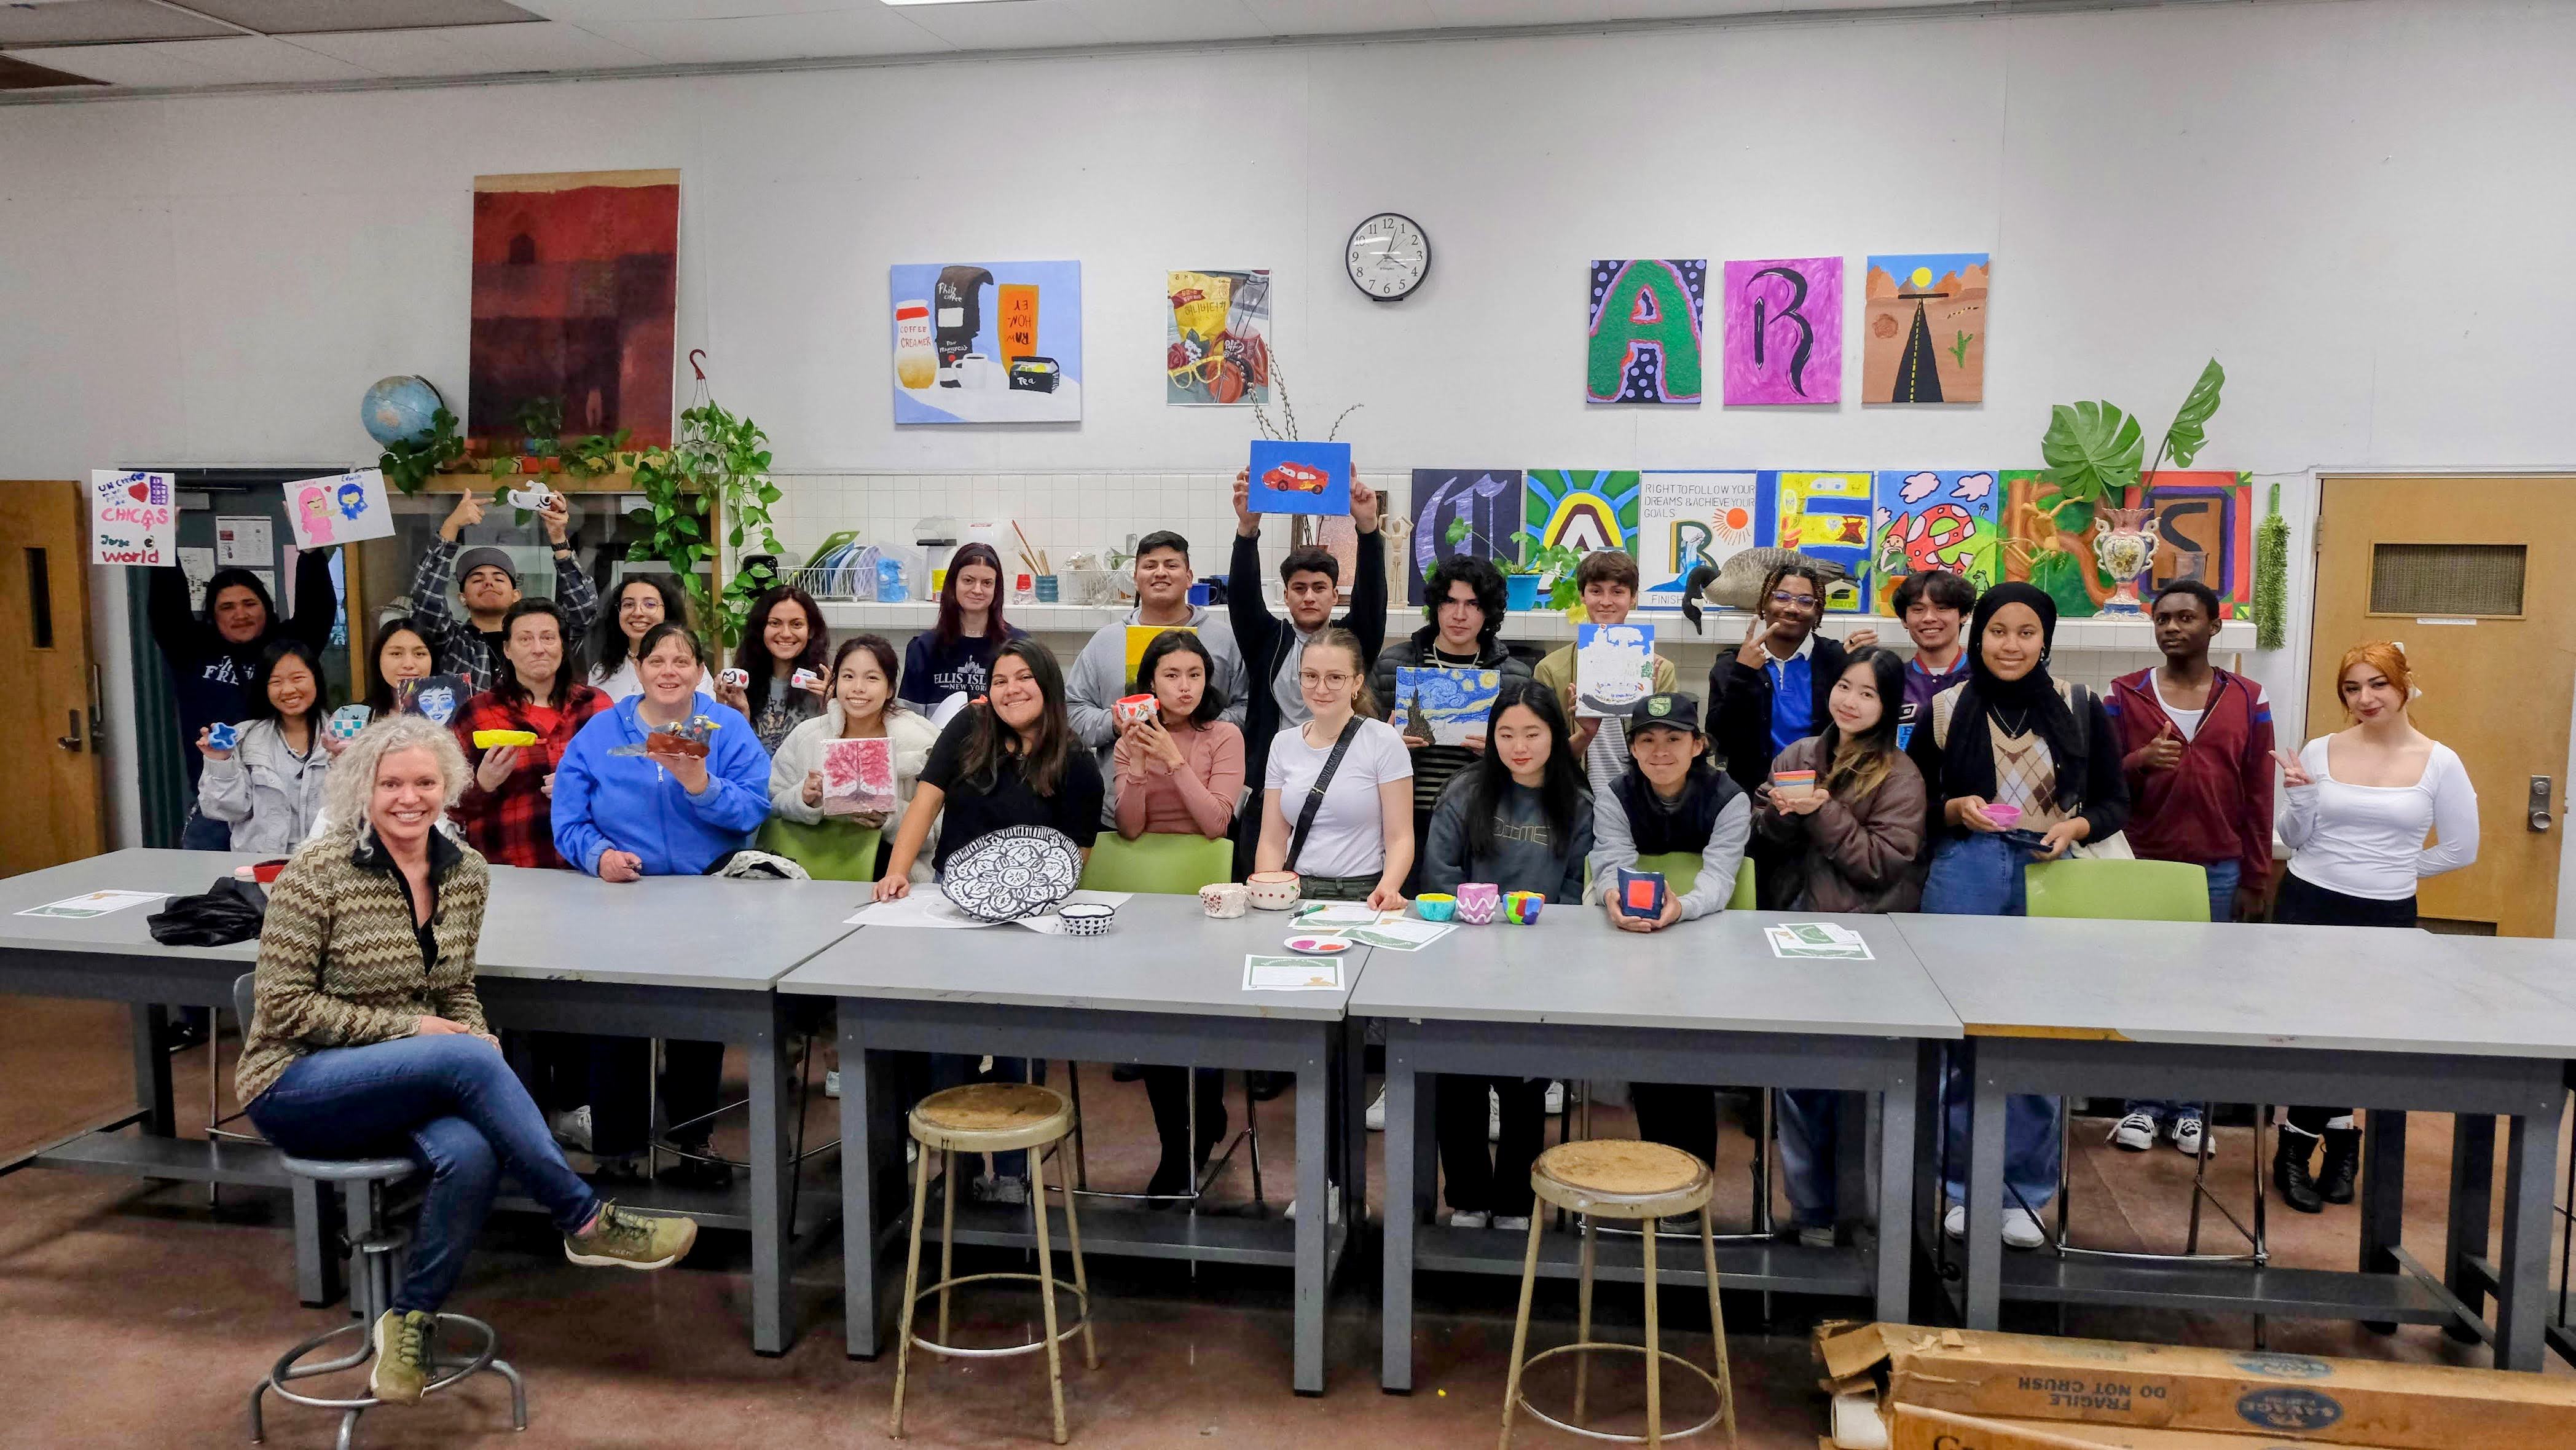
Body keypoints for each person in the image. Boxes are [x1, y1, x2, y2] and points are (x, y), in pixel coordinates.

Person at [237, 715, 695, 1408]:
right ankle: (587, 1220)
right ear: (364, 789)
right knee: (460, 1056)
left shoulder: (466, 873)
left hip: (403, 1083)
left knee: (473, 1150)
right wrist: (420, 1032)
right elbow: (282, 1010)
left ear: (448, 787)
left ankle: (410, 1318)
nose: (408, 797)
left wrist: (469, 1035)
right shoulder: (316, 874)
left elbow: (454, 989)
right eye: (391, 783)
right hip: (299, 1083)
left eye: (424, 781)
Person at [1921, 581, 2128, 1251]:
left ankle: (2025, 1194)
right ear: (1977, 636)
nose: (2010, 644)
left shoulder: (2079, 705)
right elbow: (1918, 802)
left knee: (2038, 1033)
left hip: (2052, 871)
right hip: (1968, 870)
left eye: (2025, 632)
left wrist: (2078, 824)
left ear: (2045, 640)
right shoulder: (1946, 706)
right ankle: (1959, 1188)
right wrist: (1955, 810)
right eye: (1997, 631)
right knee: (1959, 1034)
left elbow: (2114, 802)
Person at [875, 639, 1102, 1201]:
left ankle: (1011, 1172)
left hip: (1033, 928)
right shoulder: (968, 729)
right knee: (943, 1039)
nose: (1011, 689)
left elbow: (1072, 863)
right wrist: (898, 872)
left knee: (1016, 1042)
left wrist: (1029, 903)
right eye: (1001, 680)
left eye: (1024, 678)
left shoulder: (1076, 764)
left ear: (1048, 685)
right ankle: (949, 1169)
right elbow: (925, 803)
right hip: (955, 916)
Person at [552, 622, 771, 1189]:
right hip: (623, 899)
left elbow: (752, 808)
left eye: (682, 661)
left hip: (707, 898)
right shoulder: (601, 732)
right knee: (617, 1019)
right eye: (657, 661)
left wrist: (702, 785)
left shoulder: (725, 728)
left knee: (698, 1022)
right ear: (640, 667)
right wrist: (599, 855)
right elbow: (570, 820)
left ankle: (694, 1145)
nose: (669, 671)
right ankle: (616, 1151)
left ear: (700, 670)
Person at [2271, 641, 2478, 1214]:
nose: (2365, 699)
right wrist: (2302, 798)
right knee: (2313, 1031)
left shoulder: (2440, 761)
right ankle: (2331, 1145)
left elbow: (2463, 848)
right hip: (2308, 902)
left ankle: (2303, 1141)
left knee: (2358, 1037)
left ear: (2405, 684)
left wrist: (2395, 868)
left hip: (2385, 913)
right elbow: (2294, 838)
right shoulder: (2319, 750)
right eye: (2352, 689)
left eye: (2377, 684)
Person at [1753, 647, 1925, 1247]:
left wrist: (1823, 811)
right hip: (1794, 933)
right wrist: (1778, 814)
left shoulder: (1900, 775)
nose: (1850, 701)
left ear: (1886, 705)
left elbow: (1880, 865)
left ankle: (1862, 1213)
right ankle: (1810, 1211)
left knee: (1859, 1085)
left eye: (1867, 693)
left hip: (1867, 940)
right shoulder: (1800, 755)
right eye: (1844, 687)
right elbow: (1763, 839)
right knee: (1801, 1080)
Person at [2102, 580, 2276, 1158]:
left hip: (2219, 868)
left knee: (2203, 993)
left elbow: (2259, 791)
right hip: (2144, 863)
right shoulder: (2124, 694)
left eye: (2186, 618)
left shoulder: (2249, 699)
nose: (2173, 628)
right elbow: (2100, 782)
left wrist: (2255, 875)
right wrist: (2139, 761)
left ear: (2213, 626)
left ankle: (2190, 1109)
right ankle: (2141, 1106)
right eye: (2163, 619)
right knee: (2143, 985)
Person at [1420, 679, 1591, 1231]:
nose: (1520, 745)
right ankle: (1468, 1195)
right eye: (1507, 733)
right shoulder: (1464, 791)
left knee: (1525, 1088)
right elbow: (1440, 875)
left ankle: (1517, 1200)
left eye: (1534, 733)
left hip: (1540, 967)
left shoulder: (1579, 803)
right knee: (1459, 1082)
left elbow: (1575, 890)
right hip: (1465, 960)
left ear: (1555, 735)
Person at [1587, 693, 1751, 1187]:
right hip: (1633, 942)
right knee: (1644, 1043)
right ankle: (1658, 1177)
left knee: (1688, 1051)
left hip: (1706, 943)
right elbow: (1611, 859)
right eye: (1647, 739)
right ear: (1632, 749)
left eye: (1675, 738)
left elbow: (1722, 876)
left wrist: (1682, 906)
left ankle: (1692, 1182)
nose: (1661, 751)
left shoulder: (1730, 798)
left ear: (1698, 744)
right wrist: (1615, 897)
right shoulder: (1616, 794)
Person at [1110, 629, 1246, 1199]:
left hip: (1209, 901)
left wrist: (1174, 759)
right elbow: (1131, 828)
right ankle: (1178, 1147)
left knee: (1201, 1020)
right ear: (1150, 684)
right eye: (1171, 675)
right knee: (1155, 1028)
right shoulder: (1128, 742)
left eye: (1194, 674)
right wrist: (1141, 764)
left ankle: (1199, 1128)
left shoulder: (1225, 736)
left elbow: (1217, 822)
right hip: (1148, 900)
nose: (1184, 686)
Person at [149, 548, 338, 849]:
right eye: (227, 607)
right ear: (213, 614)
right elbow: (167, 612)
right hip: (218, 799)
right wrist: (160, 545)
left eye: (250, 603)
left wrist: (311, 552)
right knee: (209, 891)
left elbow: (318, 611)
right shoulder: (191, 649)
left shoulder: (286, 647)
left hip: (284, 802)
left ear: (266, 607)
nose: (241, 614)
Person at [1710, 558, 1869, 908]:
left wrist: (1867, 662)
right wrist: (1743, 676)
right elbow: (1720, 736)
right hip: (1754, 804)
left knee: (1813, 905)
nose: (1792, 608)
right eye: (1782, 597)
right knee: (1758, 902)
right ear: (1764, 603)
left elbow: (1859, 730)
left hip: (1823, 801)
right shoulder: (1732, 665)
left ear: (1818, 610)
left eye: (1805, 601)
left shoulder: (1835, 660)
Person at [1373, 556, 1534, 891]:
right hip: (1404, 819)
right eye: (1450, 602)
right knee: (1404, 918)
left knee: (1475, 924)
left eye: (1472, 604)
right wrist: (1386, 742)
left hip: (1480, 821)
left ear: (1488, 611)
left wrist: (1501, 751)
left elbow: (1534, 761)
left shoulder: (1514, 677)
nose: (1459, 615)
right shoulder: (1394, 664)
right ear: (1436, 606)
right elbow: (1356, 752)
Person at [1228, 469, 1386, 805]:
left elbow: (1372, 599)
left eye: (1319, 588)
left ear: (1334, 596)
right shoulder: (1267, 642)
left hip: (1344, 778)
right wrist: (1247, 529)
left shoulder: (1352, 642)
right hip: (1274, 780)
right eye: (1299, 589)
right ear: (1286, 596)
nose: (1309, 597)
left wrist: (1368, 529)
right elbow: (1242, 598)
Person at [1255, 628, 1413, 910]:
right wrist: (1268, 892)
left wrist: (1388, 888)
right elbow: (1272, 838)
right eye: (1311, 676)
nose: (1321, 689)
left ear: (1357, 683)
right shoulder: (1283, 744)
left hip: (1362, 893)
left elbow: (1400, 836)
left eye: (1335, 678)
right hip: (1296, 891)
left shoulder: (1383, 740)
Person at [1066, 531, 1246, 773]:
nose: (1160, 573)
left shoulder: (1224, 640)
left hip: (1205, 795)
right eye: (1150, 566)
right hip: (1123, 795)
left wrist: (1204, 723)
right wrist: (1117, 724)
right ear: (1136, 578)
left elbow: (1249, 708)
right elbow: (1072, 711)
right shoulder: (1104, 642)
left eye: (1171, 565)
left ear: (1189, 577)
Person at [768, 634, 943, 883]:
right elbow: (773, 801)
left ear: (890, 688)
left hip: (896, 876)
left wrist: (890, 818)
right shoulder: (808, 736)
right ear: (835, 683)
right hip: (815, 872)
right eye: (848, 676)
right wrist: (804, 798)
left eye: (872, 678)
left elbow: (941, 829)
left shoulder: (922, 742)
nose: (858, 688)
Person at [450, 599, 608, 872]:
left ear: (562, 645)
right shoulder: (477, 713)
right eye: (525, 639)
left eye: (548, 637)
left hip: (590, 866)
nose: (538, 649)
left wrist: (580, 789)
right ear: (508, 649)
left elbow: (629, 786)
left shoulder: (597, 706)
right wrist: (483, 785)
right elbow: (447, 806)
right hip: (508, 869)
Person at [407, 491, 597, 692]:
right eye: (477, 579)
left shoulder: (539, 640)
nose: (489, 583)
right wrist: (451, 526)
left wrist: (559, 539)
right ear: (462, 597)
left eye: (499, 578)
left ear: (516, 595)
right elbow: (426, 599)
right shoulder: (451, 641)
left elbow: (582, 611)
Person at [1533, 550, 1677, 795]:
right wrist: (1585, 733)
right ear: (1582, 596)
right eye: (1596, 591)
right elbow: (1543, 759)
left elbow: (1670, 753)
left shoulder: (1660, 670)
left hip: (1639, 797)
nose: (1606, 601)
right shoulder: (1550, 670)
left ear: (1633, 598)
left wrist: (1649, 706)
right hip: (1573, 797)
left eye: (1618, 592)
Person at [196, 638, 332, 854]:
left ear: (316, 679)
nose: (288, 690)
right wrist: (220, 762)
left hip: (329, 869)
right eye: (276, 682)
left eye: (298, 678)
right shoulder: (245, 737)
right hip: (260, 868)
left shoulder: (346, 737)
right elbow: (228, 810)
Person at [900, 542, 1027, 710]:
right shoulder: (923, 649)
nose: (977, 590)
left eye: (987, 583)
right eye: (968, 580)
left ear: (997, 590)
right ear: (953, 584)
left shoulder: (1019, 646)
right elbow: (910, 720)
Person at [715, 584, 830, 754]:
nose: (785, 633)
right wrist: (731, 711)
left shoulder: (826, 685)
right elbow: (726, 754)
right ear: (761, 629)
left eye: (796, 624)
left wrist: (833, 709)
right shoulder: (740, 685)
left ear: (811, 631)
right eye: (775, 623)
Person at [589, 574, 708, 701]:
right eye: (629, 605)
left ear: (667, 611)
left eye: (650, 604)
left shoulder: (689, 668)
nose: (638, 613)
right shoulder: (600, 673)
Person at [364, 618, 440, 715]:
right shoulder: (354, 717)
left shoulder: (456, 719)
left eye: (420, 654)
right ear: (378, 659)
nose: (408, 665)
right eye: (396, 654)